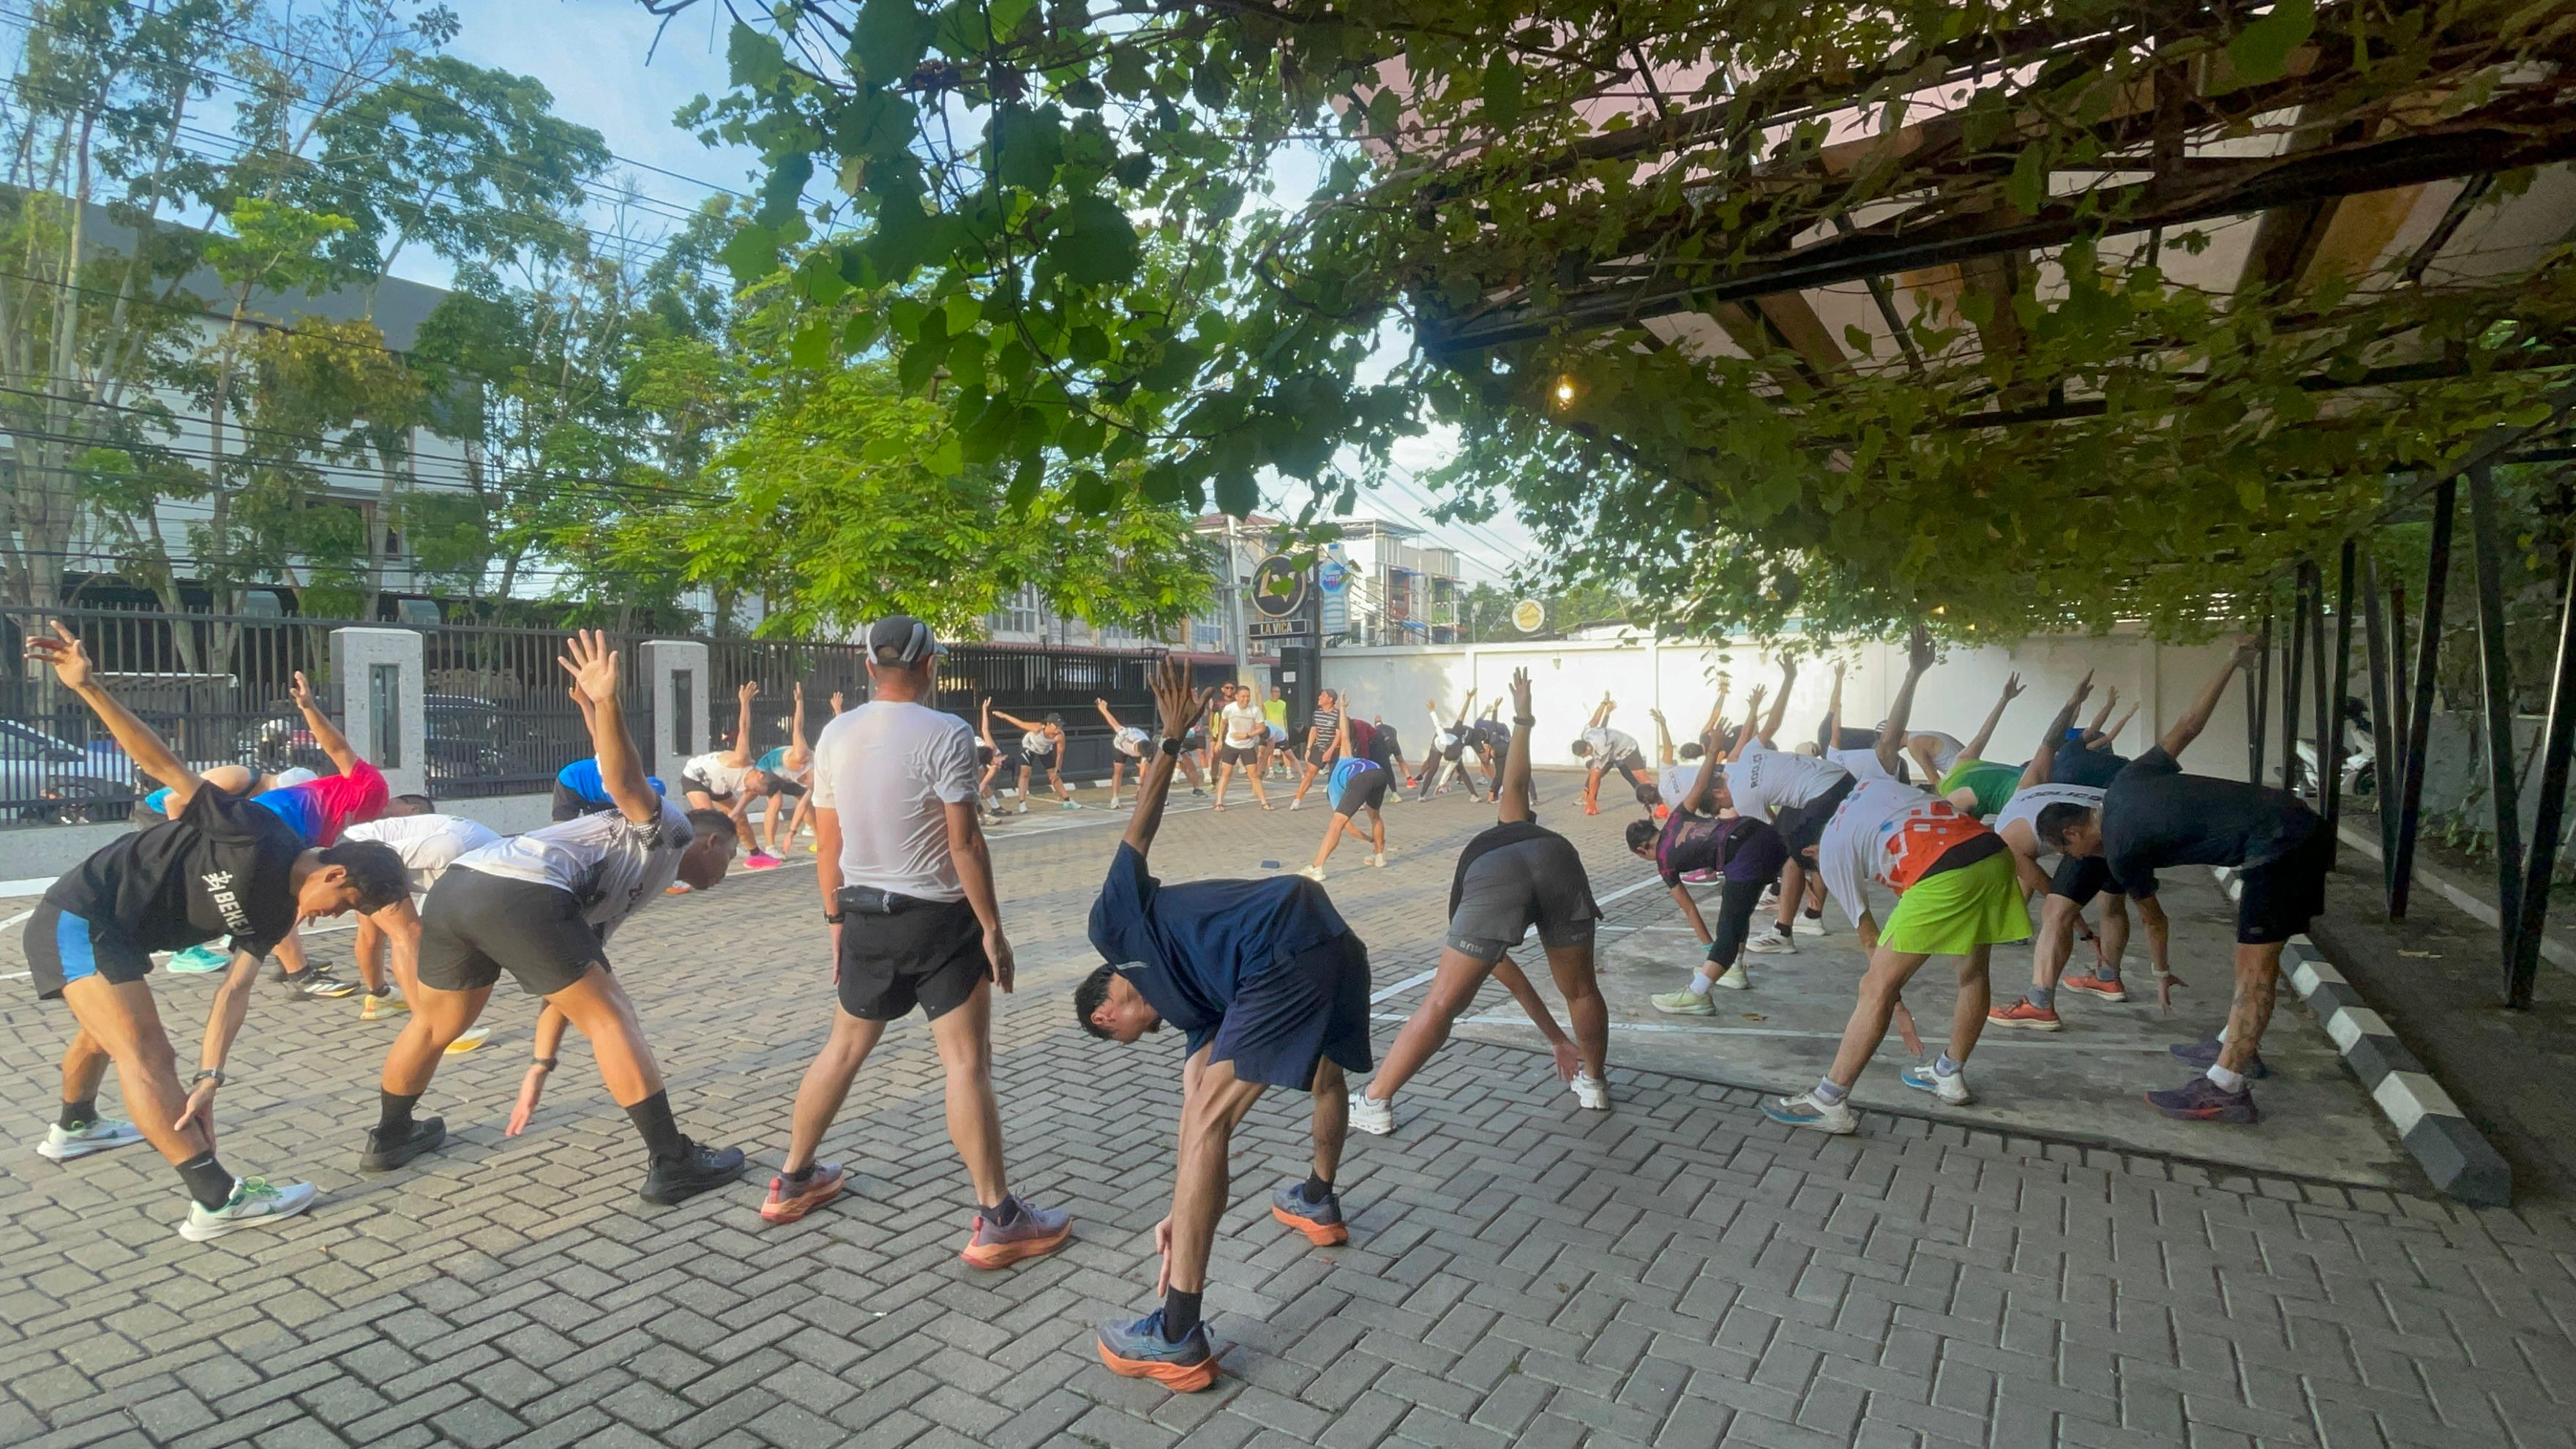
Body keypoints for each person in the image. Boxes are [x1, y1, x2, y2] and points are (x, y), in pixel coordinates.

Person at [19, 624, 409, 1240]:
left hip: (117, 932)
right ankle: (216, 1199)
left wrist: (211, 1079)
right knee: (145, 1052)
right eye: (344, 904)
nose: (332, 918)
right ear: (334, 870)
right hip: (82, 914)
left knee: (105, 1035)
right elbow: (163, 764)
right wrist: (88, 686)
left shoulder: (279, 915)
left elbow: (235, 992)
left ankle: (75, 1126)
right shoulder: (259, 835)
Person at [361, 631, 746, 1204]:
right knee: (615, 1019)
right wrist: (607, 703)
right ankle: (674, 1162)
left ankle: (390, 1138)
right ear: (714, 846)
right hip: (522, 892)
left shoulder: (628, 879)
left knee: (436, 1024)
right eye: (732, 860)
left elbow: (565, 987)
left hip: (460, 888)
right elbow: (621, 778)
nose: (725, 875)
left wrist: (541, 1063)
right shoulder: (674, 829)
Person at [1077, 659, 1374, 1392]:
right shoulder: (1187, 1007)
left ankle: (1176, 1333)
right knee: (1318, 1072)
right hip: (1327, 943)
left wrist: (1171, 742)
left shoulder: (1114, 929)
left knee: (1214, 1117)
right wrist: (1180, 1210)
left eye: (1115, 1036)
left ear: (1104, 1010)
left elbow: (1136, 835)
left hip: (1283, 940)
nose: (1132, 1040)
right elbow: (1193, 1097)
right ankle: (1318, 1197)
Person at [760, 616, 1074, 1259]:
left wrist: (835, 923)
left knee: (843, 1049)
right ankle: (997, 1217)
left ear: (869, 668)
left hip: (865, 913)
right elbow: (964, 842)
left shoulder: (835, 734)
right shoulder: (948, 733)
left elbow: (830, 841)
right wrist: (994, 930)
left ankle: (792, 1180)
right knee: (965, 1063)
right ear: (930, 666)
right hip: (938, 918)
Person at [1763, 627, 2032, 1133]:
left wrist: (1895, 1004)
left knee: (1875, 985)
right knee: (1972, 970)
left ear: (1811, 850)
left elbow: (1870, 942)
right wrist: (1914, 671)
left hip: (1946, 870)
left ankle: (1830, 1099)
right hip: (1993, 853)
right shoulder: (1872, 784)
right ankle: (1949, 1074)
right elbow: (1891, 737)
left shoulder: (1835, 849)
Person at [2038, 641, 2310, 1125]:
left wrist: (2161, 976)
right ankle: (2235, 1042)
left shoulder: (2120, 852)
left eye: (2068, 852)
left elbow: (2154, 920)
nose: (2077, 861)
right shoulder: (2125, 784)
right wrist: (2230, 662)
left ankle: (2227, 1085)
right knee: (2250, 960)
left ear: (2075, 833)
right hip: (2282, 820)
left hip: (2281, 844)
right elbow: (2189, 725)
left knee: (2256, 968)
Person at [1352, 667, 1609, 1134]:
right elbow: (1518, 781)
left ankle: (1375, 1100)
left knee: (1440, 1005)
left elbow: (1499, 968)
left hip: (1497, 876)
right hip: (1560, 860)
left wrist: (1523, 720)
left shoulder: (1504, 829)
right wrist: (1525, 720)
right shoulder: (1528, 824)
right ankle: (1593, 1082)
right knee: (1583, 989)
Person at [1981, 673, 2174, 1031]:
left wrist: (2085, 932)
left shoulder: (2008, 845)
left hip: (2092, 838)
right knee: (2111, 904)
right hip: (2124, 825)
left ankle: (2040, 1003)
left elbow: (2048, 890)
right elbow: (2051, 739)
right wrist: (2073, 702)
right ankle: (2107, 976)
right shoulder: (2029, 784)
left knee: (2056, 915)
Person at [1639, 718, 1788, 1011]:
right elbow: (1700, 782)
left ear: (1643, 850)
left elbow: (1690, 909)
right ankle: (1733, 968)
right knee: (1740, 911)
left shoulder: (1664, 864)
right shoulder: (1677, 816)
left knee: (1728, 929)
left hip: (1743, 853)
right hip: (1761, 833)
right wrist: (1714, 750)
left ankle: (1697, 994)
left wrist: (1711, 949)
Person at [1713, 663, 1846, 953]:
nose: (1728, 809)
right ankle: (1808, 916)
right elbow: (1773, 722)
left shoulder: (1743, 798)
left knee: (1795, 856)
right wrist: (1789, 678)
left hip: (1824, 792)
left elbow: (1773, 839)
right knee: (1799, 848)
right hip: (1832, 777)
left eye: (1721, 806)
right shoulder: (1746, 755)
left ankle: (1788, 929)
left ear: (1720, 791)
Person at [680, 681, 782, 855]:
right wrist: (744, 702)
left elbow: (736, 813)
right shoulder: (742, 759)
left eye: (757, 792)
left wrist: (731, 822)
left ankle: (755, 854)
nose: (750, 791)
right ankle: (697, 852)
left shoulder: (754, 790)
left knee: (741, 818)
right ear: (758, 775)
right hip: (696, 777)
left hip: (718, 787)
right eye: (755, 788)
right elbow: (744, 728)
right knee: (710, 819)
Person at [1298, 714, 1389, 880]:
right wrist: (1343, 709)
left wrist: (1368, 839)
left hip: (1361, 777)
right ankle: (1380, 856)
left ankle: (1317, 868)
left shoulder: (1333, 795)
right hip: (1378, 771)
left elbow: (1350, 829)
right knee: (1375, 815)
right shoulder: (1345, 757)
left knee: (1335, 825)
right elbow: (1345, 735)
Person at [1931, 673, 2030, 817]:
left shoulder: (1952, 800)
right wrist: (2004, 700)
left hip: (2020, 798)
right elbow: (1983, 735)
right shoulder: (1960, 762)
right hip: (2033, 776)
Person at [753, 682, 822, 862]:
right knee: (775, 802)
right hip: (771, 769)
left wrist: (791, 833)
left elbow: (801, 806)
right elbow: (797, 726)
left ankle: (820, 839)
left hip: (791, 777)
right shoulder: (802, 753)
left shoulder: (815, 782)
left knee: (807, 805)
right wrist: (799, 702)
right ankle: (770, 846)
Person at [1570, 694, 1651, 816]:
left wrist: (1607, 711)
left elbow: (1595, 778)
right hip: (1612, 752)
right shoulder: (1587, 734)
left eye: (1584, 755)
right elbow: (1596, 721)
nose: (1584, 757)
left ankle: (1647, 794)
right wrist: (1603, 705)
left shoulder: (1601, 748)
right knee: (1595, 773)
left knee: (1626, 774)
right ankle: (1586, 798)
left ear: (1587, 747)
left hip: (1625, 749)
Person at [992, 706, 1077, 812]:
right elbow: (1020, 723)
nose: (1058, 728)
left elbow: (1060, 754)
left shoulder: (1060, 736)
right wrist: (1004, 716)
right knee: (1026, 772)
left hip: (1044, 749)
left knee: (1054, 775)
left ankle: (1067, 801)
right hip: (1030, 746)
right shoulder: (1038, 728)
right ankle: (1022, 803)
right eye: (1056, 725)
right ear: (1048, 724)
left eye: (1060, 726)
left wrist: (1057, 770)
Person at [1209, 683, 1273, 812]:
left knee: (1253, 774)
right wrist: (1220, 740)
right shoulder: (1230, 709)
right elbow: (1223, 721)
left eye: (1248, 697)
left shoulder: (1255, 710)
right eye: (1243, 696)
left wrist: (1247, 735)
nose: (1246, 699)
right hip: (1231, 744)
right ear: (1237, 697)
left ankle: (1264, 802)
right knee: (1226, 773)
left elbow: (1261, 728)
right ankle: (1219, 802)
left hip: (1247, 746)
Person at [1096, 697, 1159, 809]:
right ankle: (1115, 799)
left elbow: (1143, 771)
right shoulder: (1125, 734)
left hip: (1136, 750)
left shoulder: (1146, 744)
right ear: (1138, 751)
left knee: (1149, 771)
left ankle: (1151, 796)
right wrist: (1103, 709)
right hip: (1120, 748)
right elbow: (1113, 722)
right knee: (1118, 771)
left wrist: (1141, 787)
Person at [1286, 688, 1344, 810]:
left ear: (1330, 699)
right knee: (1309, 774)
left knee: (1339, 776)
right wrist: (1308, 748)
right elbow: (1314, 730)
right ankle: (1297, 799)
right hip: (1319, 746)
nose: (1319, 698)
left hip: (1335, 748)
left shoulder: (1338, 714)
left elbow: (1339, 735)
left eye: (1322, 696)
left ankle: (1351, 801)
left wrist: (1330, 751)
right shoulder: (1317, 713)